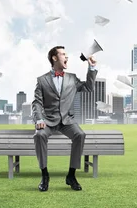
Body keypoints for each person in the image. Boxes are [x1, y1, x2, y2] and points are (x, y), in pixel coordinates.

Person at [32, 46, 97, 192]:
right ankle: (44, 175)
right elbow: (37, 102)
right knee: (39, 136)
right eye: (63, 54)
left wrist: (91, 68)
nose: (66, 57)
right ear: (54, 58)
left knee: (80, 135)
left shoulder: (72, 78)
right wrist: (39, 119)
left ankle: (71, 176)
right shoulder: (42, 80)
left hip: (67, 120)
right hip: (48, 120)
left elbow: (88, 88)